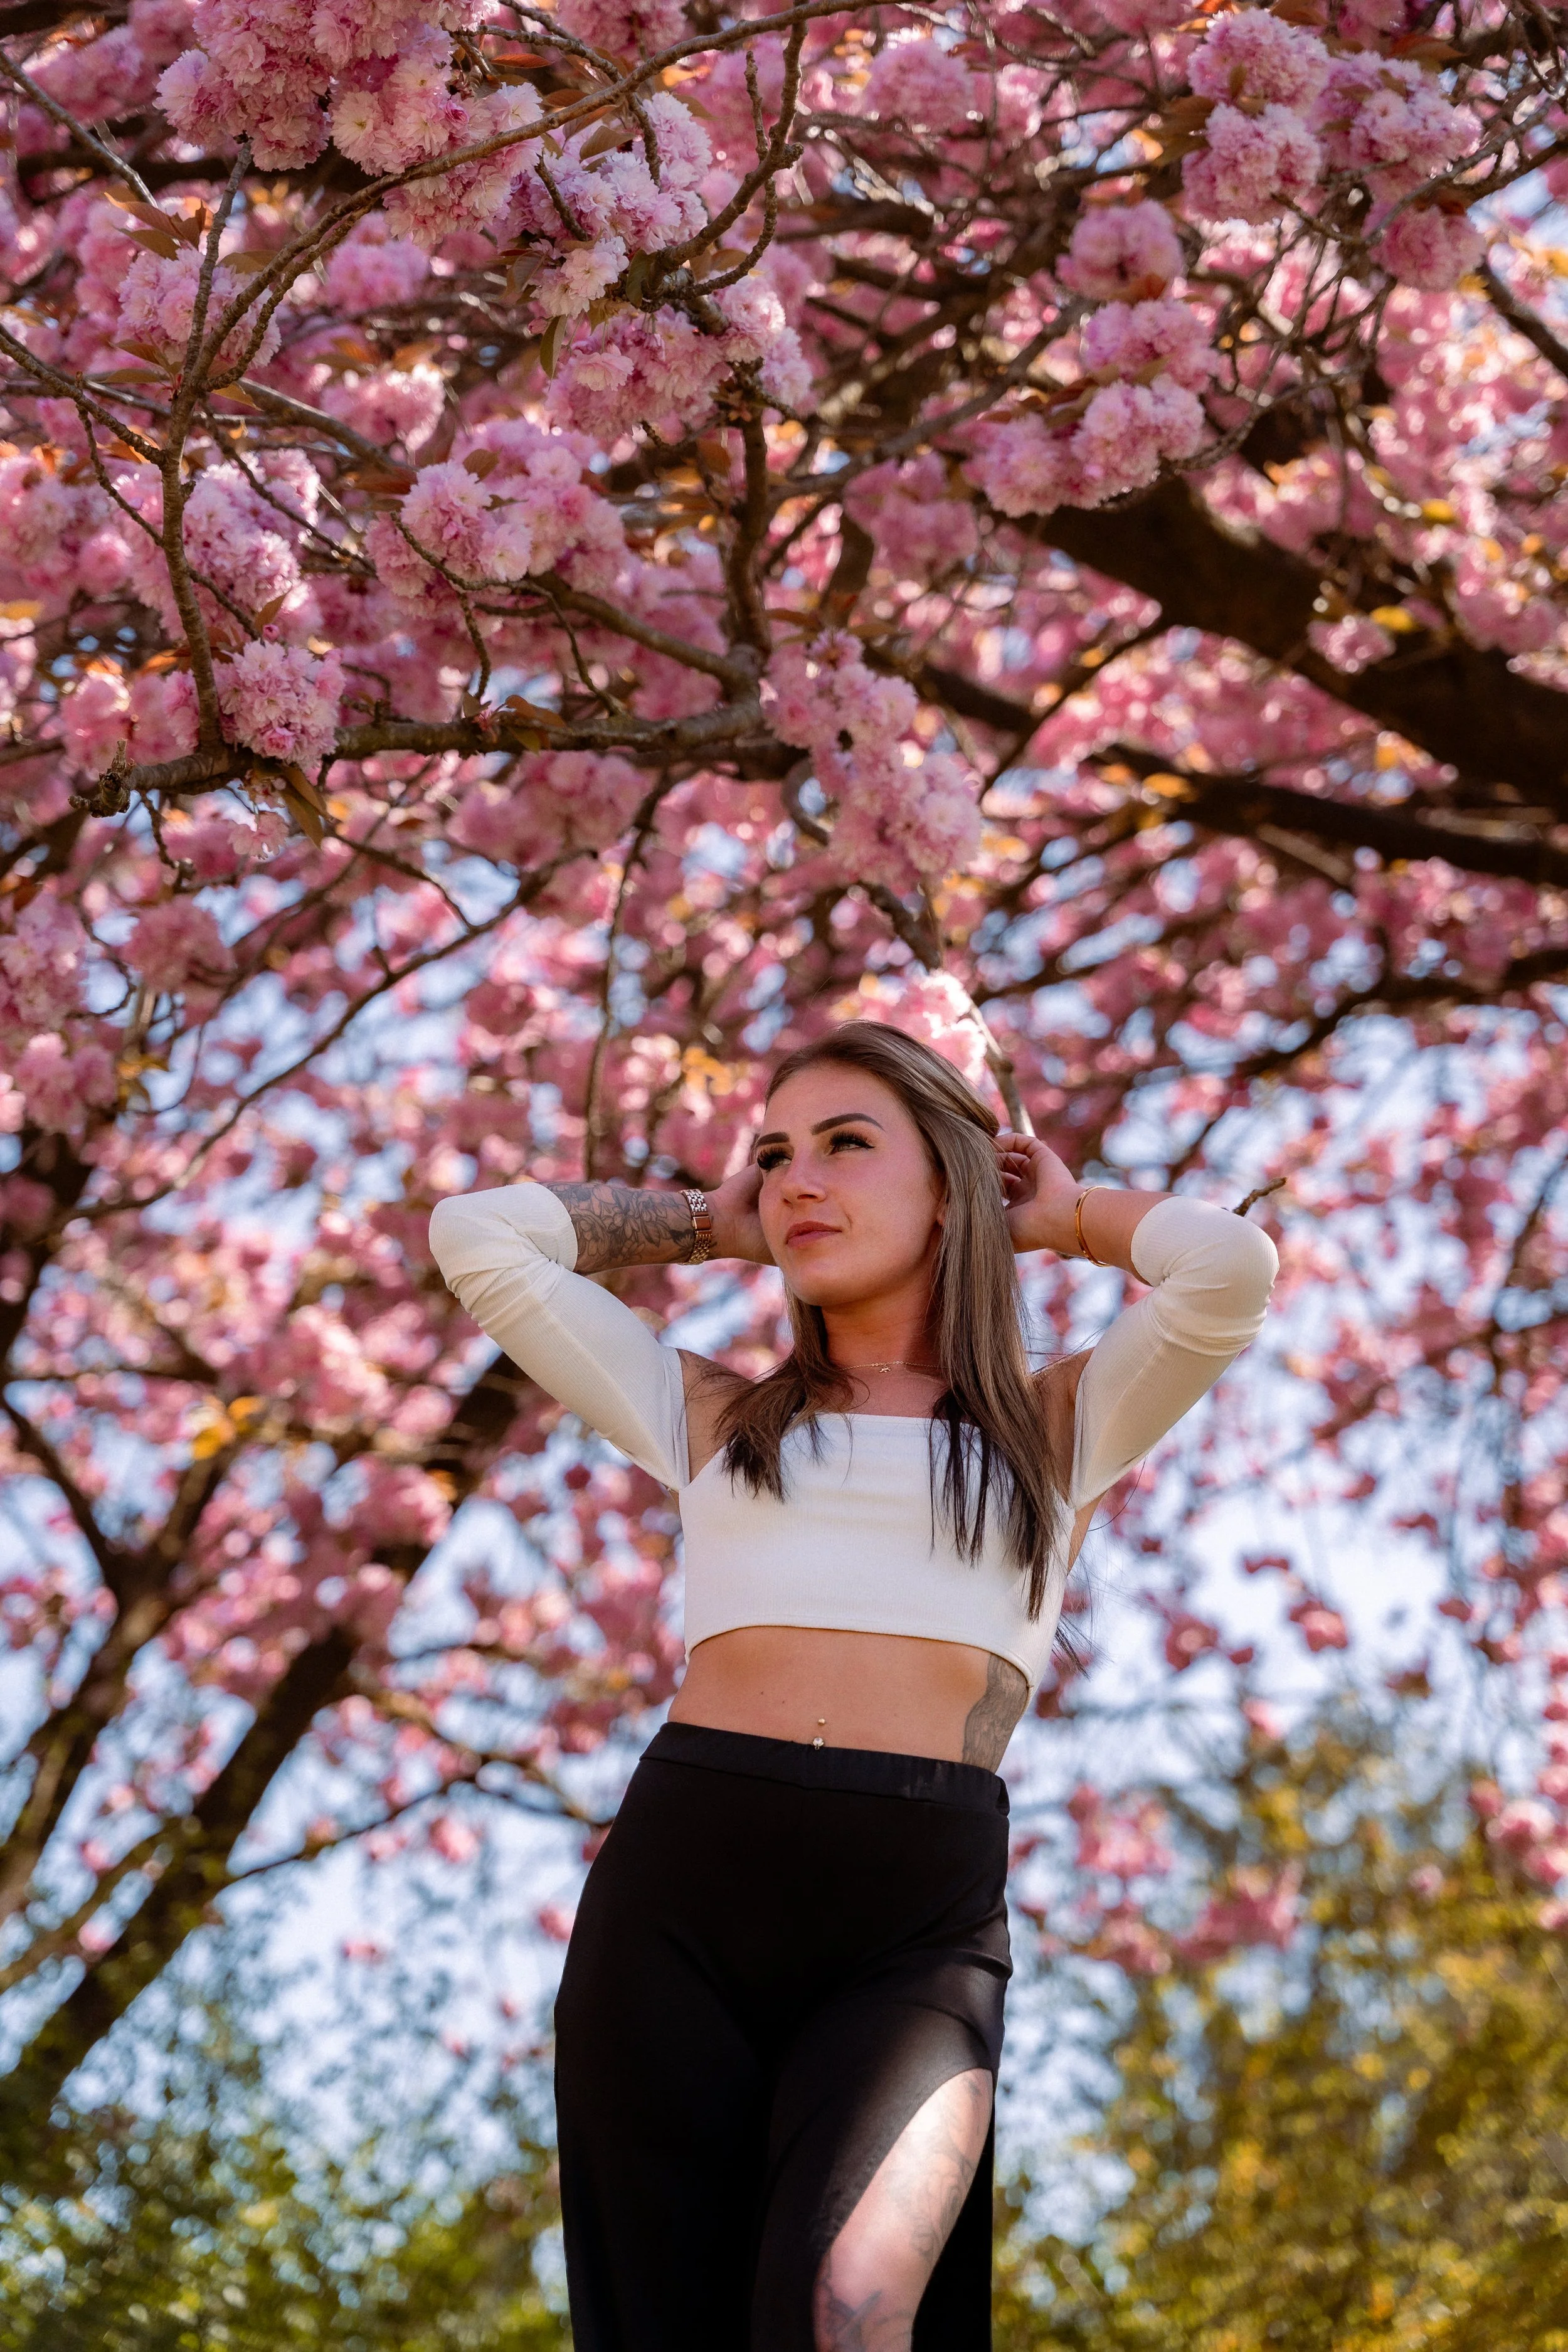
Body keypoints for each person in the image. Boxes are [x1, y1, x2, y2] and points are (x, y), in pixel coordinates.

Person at [428, 1019, 1278, 2352]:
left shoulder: (1056, 1428)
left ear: (950, 1180)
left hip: (914, 1932)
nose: (797, 1181)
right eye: (775, 1157)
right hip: (677, 1910)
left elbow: (1224, 1268)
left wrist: (1059, 1218)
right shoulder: (709, 1416)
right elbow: (479, 1235)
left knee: (851, 2314)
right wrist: (708, 1220)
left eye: (844, 1146)